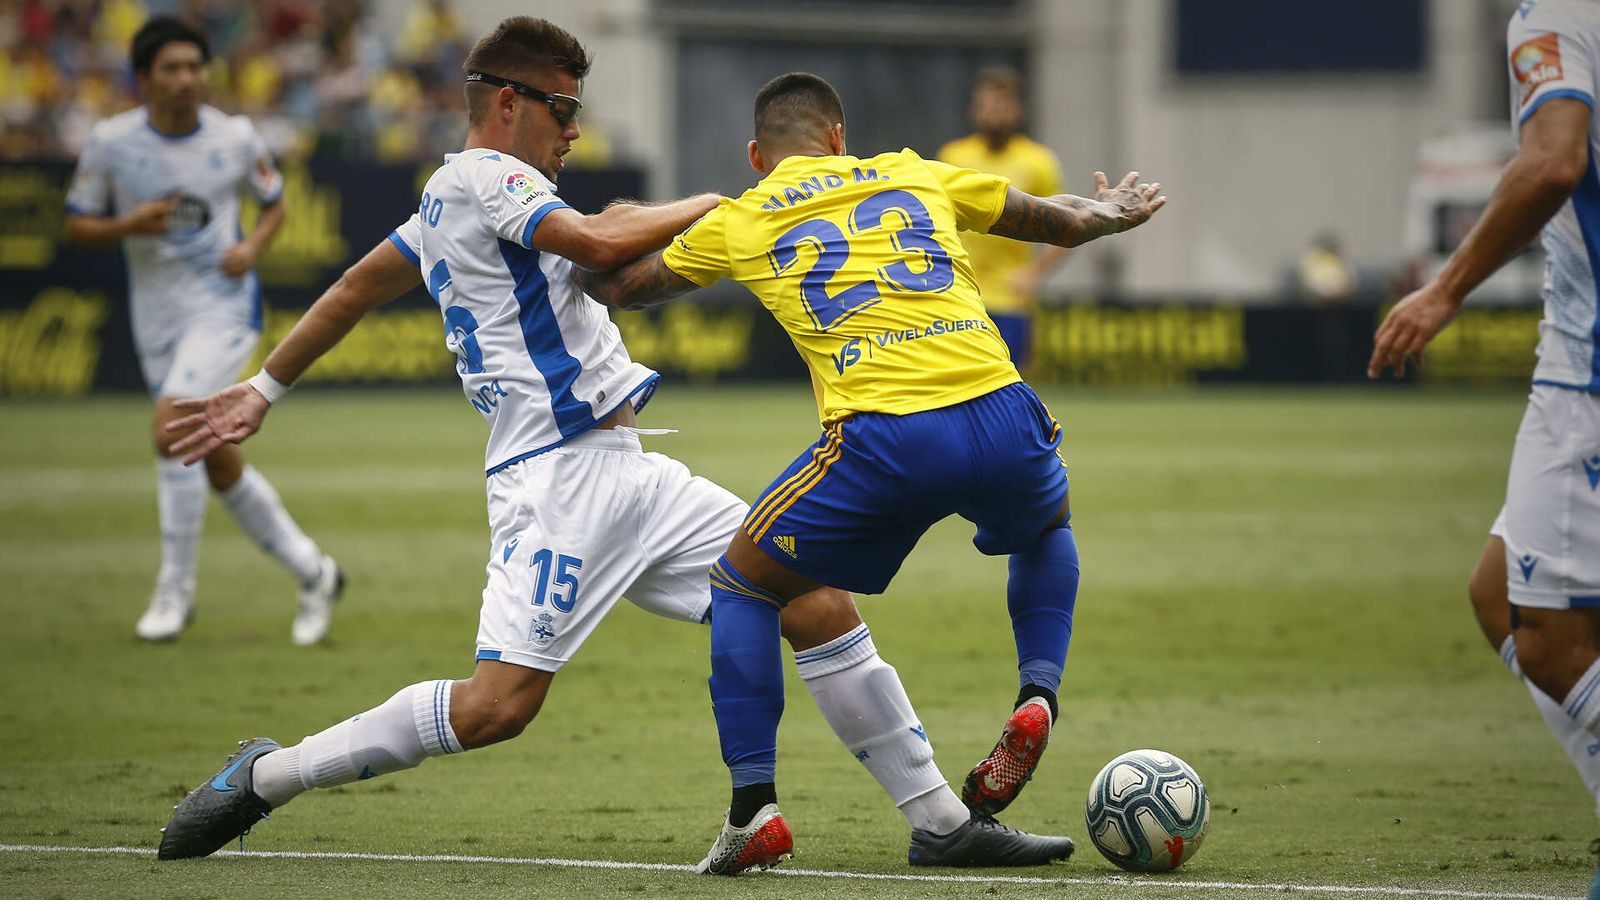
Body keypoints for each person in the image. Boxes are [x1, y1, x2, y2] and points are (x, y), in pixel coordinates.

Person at [155, 19, 1068, 873]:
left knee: (814, 601)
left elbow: (357, 285)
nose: (575, 131)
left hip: (627, 470)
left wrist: (262, 388)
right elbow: (595, 241)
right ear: (506, 102)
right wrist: (734, 201)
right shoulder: (484, 177)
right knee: (495, 708)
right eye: (564, 109)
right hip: (554, 481)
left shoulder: (455, 201)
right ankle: (267, 776)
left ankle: (942, 825)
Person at [577, 71, 1166, 875]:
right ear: (838, 139)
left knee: (744, 583)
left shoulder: (745, 216)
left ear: (758, 155)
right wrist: (1114, 212)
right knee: (1044, 528)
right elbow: (1059, 222)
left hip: (889, 431)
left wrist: (611, 229)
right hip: (1003, 405)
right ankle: (1037, 694)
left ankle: (755, 809)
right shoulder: (912, 169)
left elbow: (617, 284)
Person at [1368, 3, 1600, 897]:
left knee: (1539, 634)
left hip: (1589, 379)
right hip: (1575, 370)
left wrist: (1445, 289)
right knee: (1497, 590)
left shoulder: (1555, 16)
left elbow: (1553, 161)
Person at [63, 16, 344, 645]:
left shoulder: (236, 137)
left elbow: (274, 202)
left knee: (171, 432)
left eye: (196, 66)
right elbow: (78, 223)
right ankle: (315, 572)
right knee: (213, 459)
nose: (188, 78)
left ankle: (174, 593)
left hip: (222, 307)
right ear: (143, 78)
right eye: (172, 68)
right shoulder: (111, 143)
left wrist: (252, 247)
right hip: (155, 316)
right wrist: (128, 225)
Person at [936, 67, 1069, 371]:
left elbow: (1063, 225)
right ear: (975, 111)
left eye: (1002, 105)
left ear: (1018, 110)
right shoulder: (953, 156)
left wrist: (1035, 272)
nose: (995, 113)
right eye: (987, 105)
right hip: (959, 296)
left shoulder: (1038, 162)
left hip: (1010, 298)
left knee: (1007, 389)